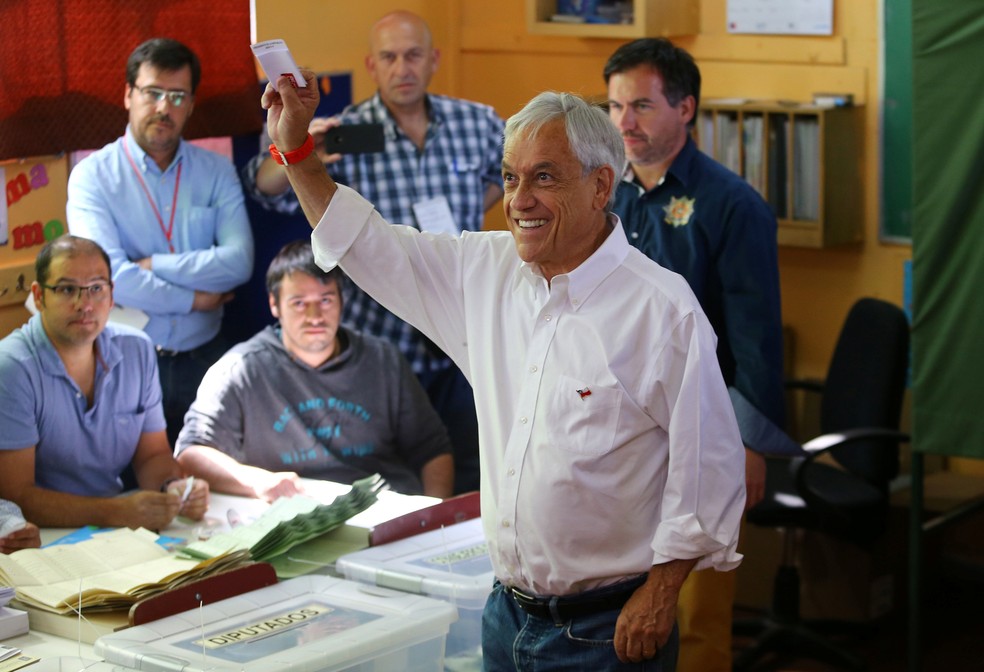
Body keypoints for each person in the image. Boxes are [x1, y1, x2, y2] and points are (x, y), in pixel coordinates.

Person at [261, 66, 745, 670]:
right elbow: (366, 244)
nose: (519, 201)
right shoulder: (482, 273)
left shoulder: (662, 309)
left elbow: (712, 470)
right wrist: (298, 149)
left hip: (611, 630)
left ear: (601, 187)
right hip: (505, 617)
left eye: (545, 178)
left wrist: (663, 590)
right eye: (511, 178)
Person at [243, 10, 504, 494]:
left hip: (464, 330)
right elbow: (263, 187)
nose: (402, 68)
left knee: (477, 468)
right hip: (387, 338)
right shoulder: (347, 129)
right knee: (403, 474)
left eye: (413, 55)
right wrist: (297, 145)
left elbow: (505, 176)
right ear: (371, 64)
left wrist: (471, 205)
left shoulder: (478, 122)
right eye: (389, 57)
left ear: (433, 60)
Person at [604, 38, 786, 672]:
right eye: (615, 106)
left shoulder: (732, 204)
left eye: (641, 106)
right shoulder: (609, 195)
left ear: (685, 108)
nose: (624, 122)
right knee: (625, 608)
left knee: (698, 615)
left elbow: (757, 335)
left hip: (709, 433)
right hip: (623, 430)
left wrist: (749, 444)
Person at [67, 37, 254, 447]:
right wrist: (194, 299)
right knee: (133, 496)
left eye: (177, 96)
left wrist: (153, 265)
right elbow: (107, 278)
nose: (163, 107)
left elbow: (239, 263)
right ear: (128, 95)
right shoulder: (92, 177)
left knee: (214, 491)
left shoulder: (216, 171)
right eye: (152, 93)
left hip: (208, 358)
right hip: (124, 363)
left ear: (190, 104)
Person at [175, 240, 454, 501]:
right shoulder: (240, 370)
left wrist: (433, 512)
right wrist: (256, 482)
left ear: (342, 302)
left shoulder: (383, 360)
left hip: (383, 511)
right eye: (298, 303)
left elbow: (433, 449)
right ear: (274, 305)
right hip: (288, 516)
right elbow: (191, 452)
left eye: (325, 300)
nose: (314, 316)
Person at [0, 236, 208, 530]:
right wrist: (113, 512)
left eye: (96, 289)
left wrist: (173, 488)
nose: (84, 304)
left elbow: (153, 455)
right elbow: (16, 496)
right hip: (38, 536)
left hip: (114, 527)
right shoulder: (11, 368)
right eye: (66, 289)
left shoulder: (137, 350)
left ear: (112, 297)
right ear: (38, 296)